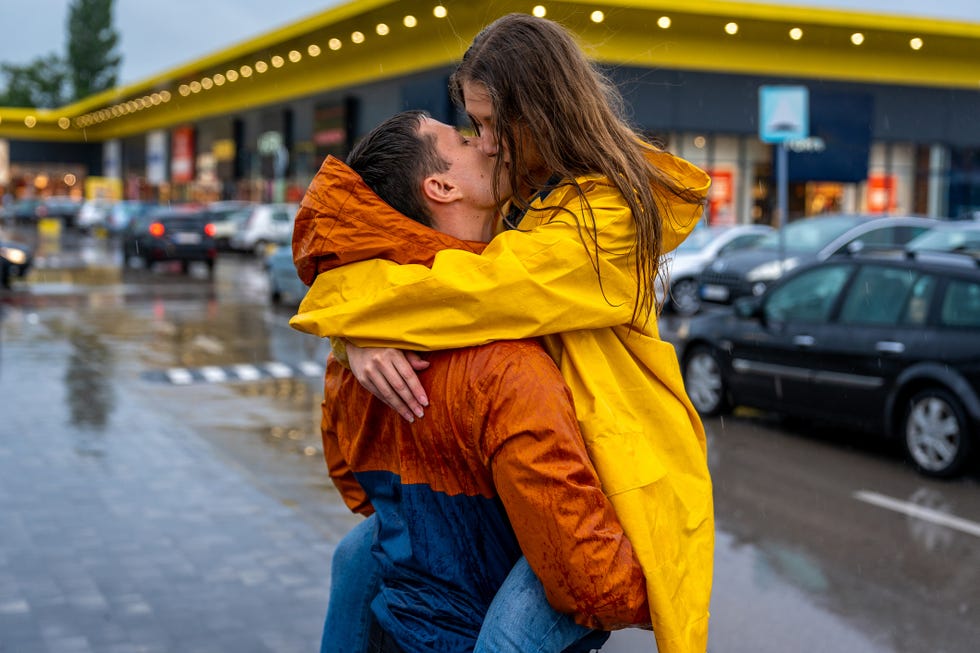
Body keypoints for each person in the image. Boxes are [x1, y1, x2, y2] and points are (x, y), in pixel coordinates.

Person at [292, 14, 715, 653]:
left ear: (539, 113)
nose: (484, 143)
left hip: (607, 473)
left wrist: (352, 321)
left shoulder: (609, 219)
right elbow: (412, 255)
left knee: (508, 639)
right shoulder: (525, 195)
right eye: (474, 129)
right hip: (543, 464)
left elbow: (479, 292)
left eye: (490, 125)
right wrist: (357, 340)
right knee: (357, 559)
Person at [315, 110, 649, 652]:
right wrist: (650, 574)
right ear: (441, 187)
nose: (490, 146)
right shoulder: (506, 367)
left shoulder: (355, 351)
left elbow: (354, 484)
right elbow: (588, 579)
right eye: (467, 138)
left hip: (401, 627)